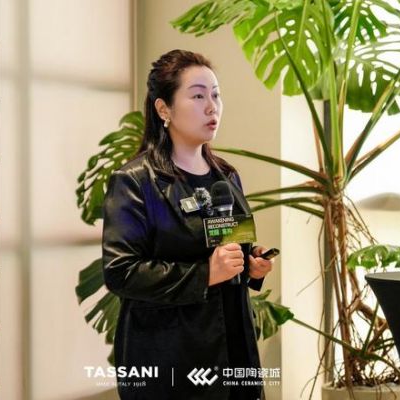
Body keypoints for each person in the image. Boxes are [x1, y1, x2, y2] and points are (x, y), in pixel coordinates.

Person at [102, 49, 274, 400]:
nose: (212, 107)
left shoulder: (226, 177)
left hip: (233, 349)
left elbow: (226, 247)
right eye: (197, 96)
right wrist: (205, 274)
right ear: (163, 109)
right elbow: (121, 272)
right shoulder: (135, 181)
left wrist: (250, 265)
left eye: (216, 95)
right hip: (170, 358)